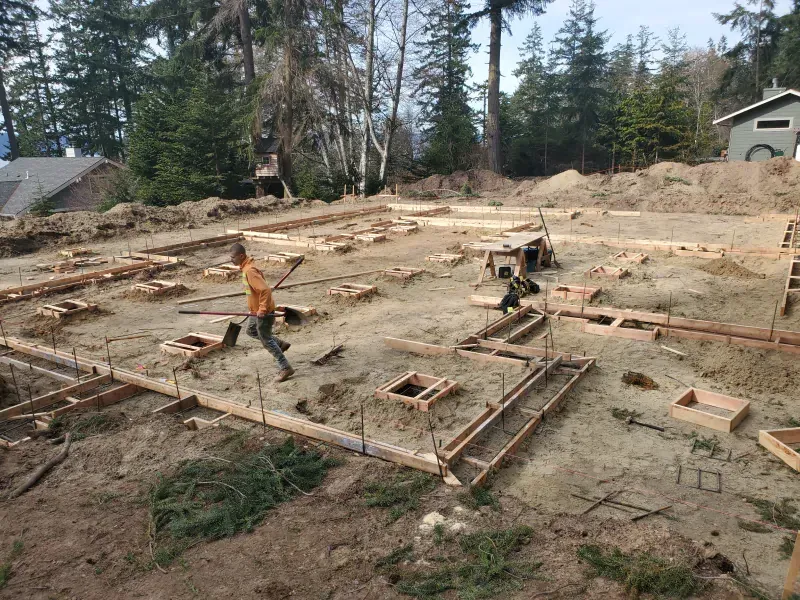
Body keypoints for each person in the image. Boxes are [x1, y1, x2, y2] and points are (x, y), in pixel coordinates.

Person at [229, 243, 295, 382]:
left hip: (262, 311)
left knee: (266, 340)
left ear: (241, 256)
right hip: (255, 310)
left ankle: (285, 368)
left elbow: (265, 290)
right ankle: (280, 344)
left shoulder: (250, 271)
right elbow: (257, 291)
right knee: (251, 331)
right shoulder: (246, 268)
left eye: (233, 257)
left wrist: (263, 309)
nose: (231, 260)